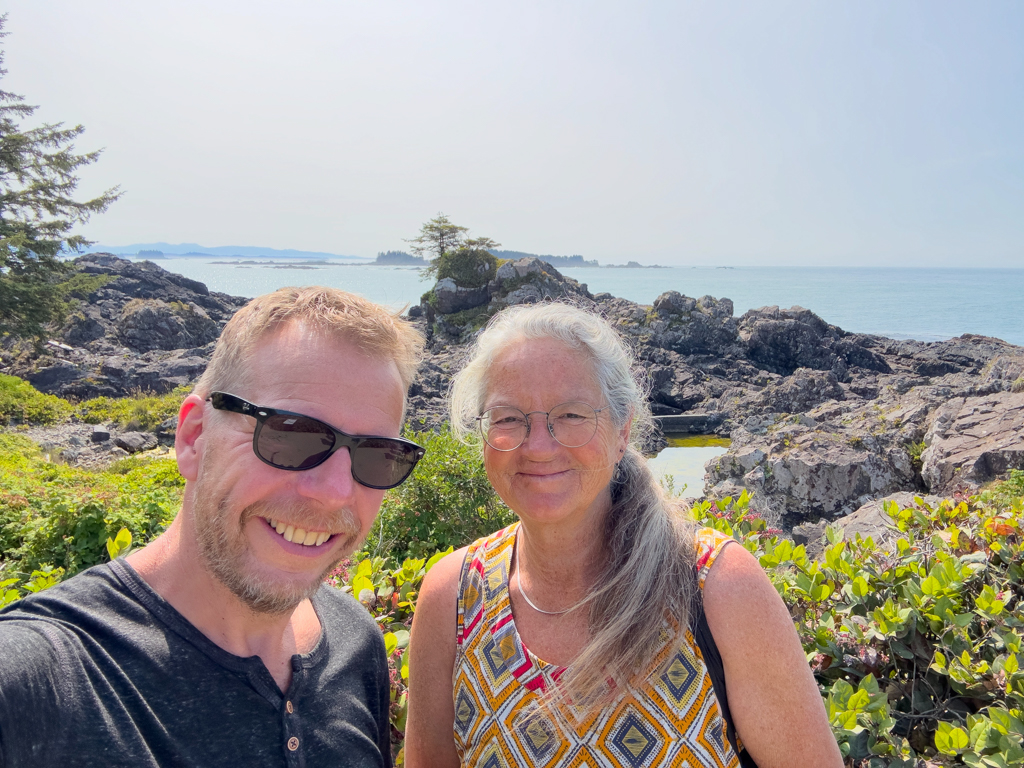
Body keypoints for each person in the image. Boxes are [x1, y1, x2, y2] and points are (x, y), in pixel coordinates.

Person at [0, 286, 426, 767]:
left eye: (376, 454)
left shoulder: (356, 643)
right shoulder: (38, 679)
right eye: (289, 434)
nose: (332, 491)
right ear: (194, 437)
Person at [404, 302, 842, 768]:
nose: (537, 445)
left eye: (571, 415)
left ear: (622, 431)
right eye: (508, 418)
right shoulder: (453, 596)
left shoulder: (716, 587)